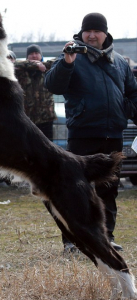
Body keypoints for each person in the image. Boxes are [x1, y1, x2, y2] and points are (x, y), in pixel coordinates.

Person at [45, 12, 137, 253]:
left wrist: (128, 110)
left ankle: (106, 238)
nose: (92, 35)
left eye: (97, 31)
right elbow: (52, 85)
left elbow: (132, 92)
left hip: (113, 133)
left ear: (105, 33)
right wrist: (67, 61)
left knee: (109, 189)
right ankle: (72, 242)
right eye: (88, 31)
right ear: (82, 32)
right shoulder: (72, 55)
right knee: (75, 190)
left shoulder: (119, 62)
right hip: (82, 133)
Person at [14, 44, 56, 140]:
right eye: (31, 53)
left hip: (46, 117)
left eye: (36, 53)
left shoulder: (48, 69)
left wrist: (41, 65)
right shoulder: (21, 70)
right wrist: (35, 65)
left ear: (41, 55)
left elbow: (58, 61)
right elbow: (12, 63)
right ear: (27, 57)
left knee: (48, 148)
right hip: (27, 117)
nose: (34, 55)